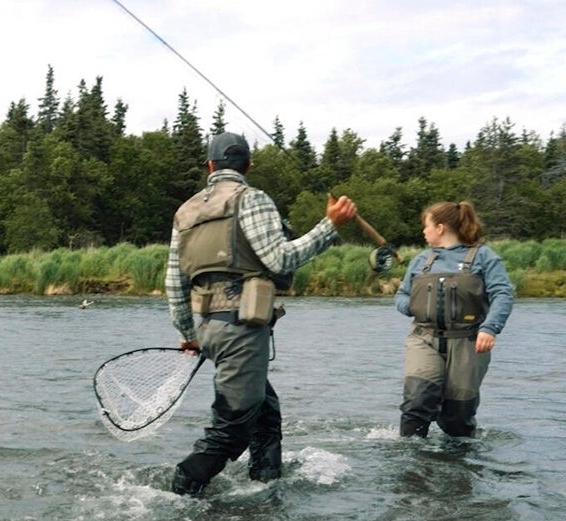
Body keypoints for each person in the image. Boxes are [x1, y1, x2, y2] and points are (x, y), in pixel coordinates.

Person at [164, 132, 357, 497]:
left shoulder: (185, 212)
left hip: (208, 329)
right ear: (248, 166)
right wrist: (329, 226)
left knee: (264, 413)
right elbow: (279, 259)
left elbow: (175, 282)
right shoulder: (253, 199)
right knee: (232, 425)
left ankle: (265, 485)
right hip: (241, 330)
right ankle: (183, 486)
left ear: (209, 166)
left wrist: (189, 332)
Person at [394, 200, 513, 438]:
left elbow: (503, 293)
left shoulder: (484, 257)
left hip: (468, 342)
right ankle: (408, 462)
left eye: (426, 226)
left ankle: (457, 464)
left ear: (440, 228)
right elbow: (401, 296)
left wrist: (490, 329)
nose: (423, 231)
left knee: (457, 416)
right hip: (423, 339)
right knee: (417, 402)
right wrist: (415, 307)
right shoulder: (421, 260)